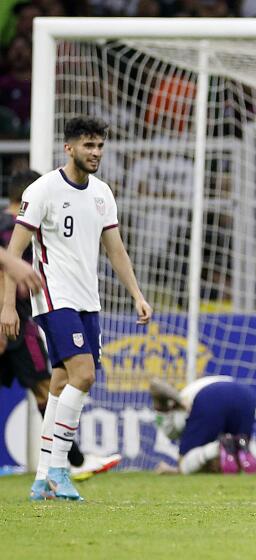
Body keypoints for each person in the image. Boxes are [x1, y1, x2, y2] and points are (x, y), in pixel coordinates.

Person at [1, 116, 152, 501]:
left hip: (88, 299)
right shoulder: (43, 190)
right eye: (88, 145)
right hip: (53, 296)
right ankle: (60, 469)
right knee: (84, 375)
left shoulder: (102, 193)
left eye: (100, 146)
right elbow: (13, 254)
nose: (96, 152)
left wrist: (136, 293)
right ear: (68, 148)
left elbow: (115, 249)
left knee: (62, 383)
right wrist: (7, 307)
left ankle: (41, 480)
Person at [0, 170, 121, 482]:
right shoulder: (15, 226)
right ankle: (67, 463)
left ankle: (56, 468)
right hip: (16, 321)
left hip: (20, 316)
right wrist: (7, 308)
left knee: (53, 383)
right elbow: (6, 268)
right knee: (52, 385)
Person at [150, 376, 256, 475]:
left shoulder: (172, 416)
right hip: (246, 395)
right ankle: (241, 451)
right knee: (237, 449)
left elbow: (155, 384)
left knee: (183, 462)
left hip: (210, 396)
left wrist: (181, 401)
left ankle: (218, 447)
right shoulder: (190, 392)